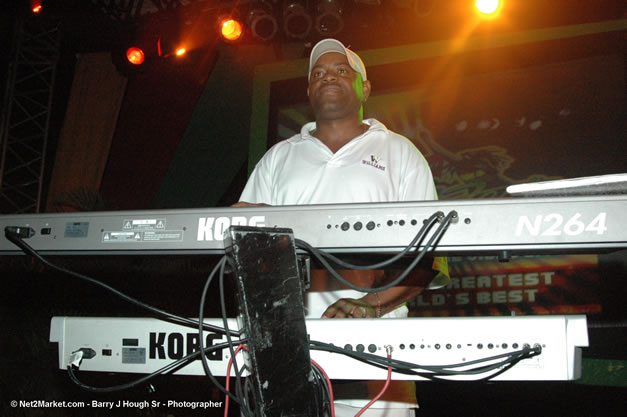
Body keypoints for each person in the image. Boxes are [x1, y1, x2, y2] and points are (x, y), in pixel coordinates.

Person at [235, 38, 446, 417]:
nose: (327, 77)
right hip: (283, 362)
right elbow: (244, 251)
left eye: (340, 71)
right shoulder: (278, 158)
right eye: (317, 73)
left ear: (364, 88)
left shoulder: (400, 153)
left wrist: (371, 305)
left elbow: (427, 260)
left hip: (374, 365)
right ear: (308, 90)